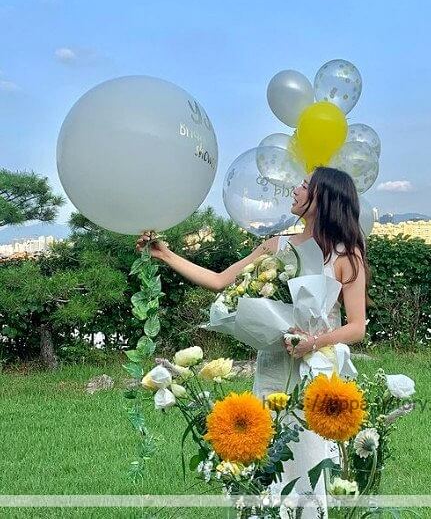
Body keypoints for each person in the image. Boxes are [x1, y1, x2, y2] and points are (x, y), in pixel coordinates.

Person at [136, 166, 370, 517]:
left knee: (308, 459)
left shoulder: (345, 256)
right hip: (272, 367)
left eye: (305, 185)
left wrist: (313, 341)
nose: (296, 190)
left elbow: (356, 327)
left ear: (324, 198)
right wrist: (165, 255)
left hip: (315, 373)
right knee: (264, 458)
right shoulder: (276, 246)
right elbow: (219, 281)